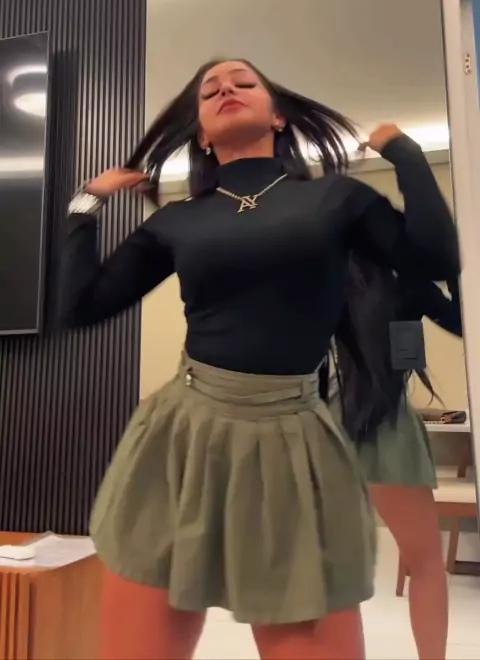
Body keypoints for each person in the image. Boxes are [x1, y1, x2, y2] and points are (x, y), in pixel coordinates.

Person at [59, 59, 459, 660]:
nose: (226, 88)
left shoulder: (336, 199)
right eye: (210, 90)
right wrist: (87, 203)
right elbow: (81, 306)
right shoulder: (178, 220)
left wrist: (404, 152)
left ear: (277, 117)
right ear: (201, 133)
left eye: (244, 82)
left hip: (293, 438)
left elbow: (434, 259)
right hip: (180, 437)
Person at [327, 267, 462, 660]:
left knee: (332, 572)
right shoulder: (409, 284)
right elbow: (463, 323)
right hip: (386, 425)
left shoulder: (316, 274)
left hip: (321, 423)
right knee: (426, 562)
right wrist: (453, 273)